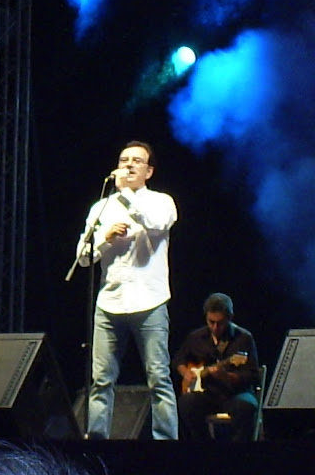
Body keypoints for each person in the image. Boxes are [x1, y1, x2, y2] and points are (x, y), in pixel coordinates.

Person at [76, 140, 178, 440]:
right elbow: (83, 257)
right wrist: (105, 237)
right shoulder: (101, 208)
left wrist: (127, 198)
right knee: (101, 380)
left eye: (136, 161)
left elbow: (157, 224)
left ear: (149, 171)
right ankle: (96, 443)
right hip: (110, 302)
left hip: (150, 301)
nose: (129, 165)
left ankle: (166, 444)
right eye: (124, 160)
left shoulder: (161, 202)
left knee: (158, 377)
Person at [173, 292, 259, 441]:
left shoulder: (244, 338)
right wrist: (186, 373)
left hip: (235, 394)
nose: (215, 327)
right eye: (211, 322)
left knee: (246, 406)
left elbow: (253, 375)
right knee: (186, 403)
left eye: (220, 323)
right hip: (208, 394)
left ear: (229, 318)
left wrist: (227, 376)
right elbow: (178, 361)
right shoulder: (196, 337)